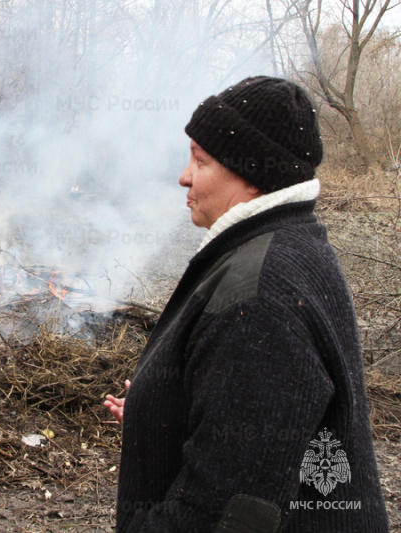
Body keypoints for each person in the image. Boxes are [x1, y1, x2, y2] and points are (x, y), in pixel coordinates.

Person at [104, 76, 389, 532]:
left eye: (200, 160)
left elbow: (226, 512)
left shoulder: (259, 296)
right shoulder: (291, 242)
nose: (184, 176)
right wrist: (161, 410)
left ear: (253, 176)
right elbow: (258, 426)